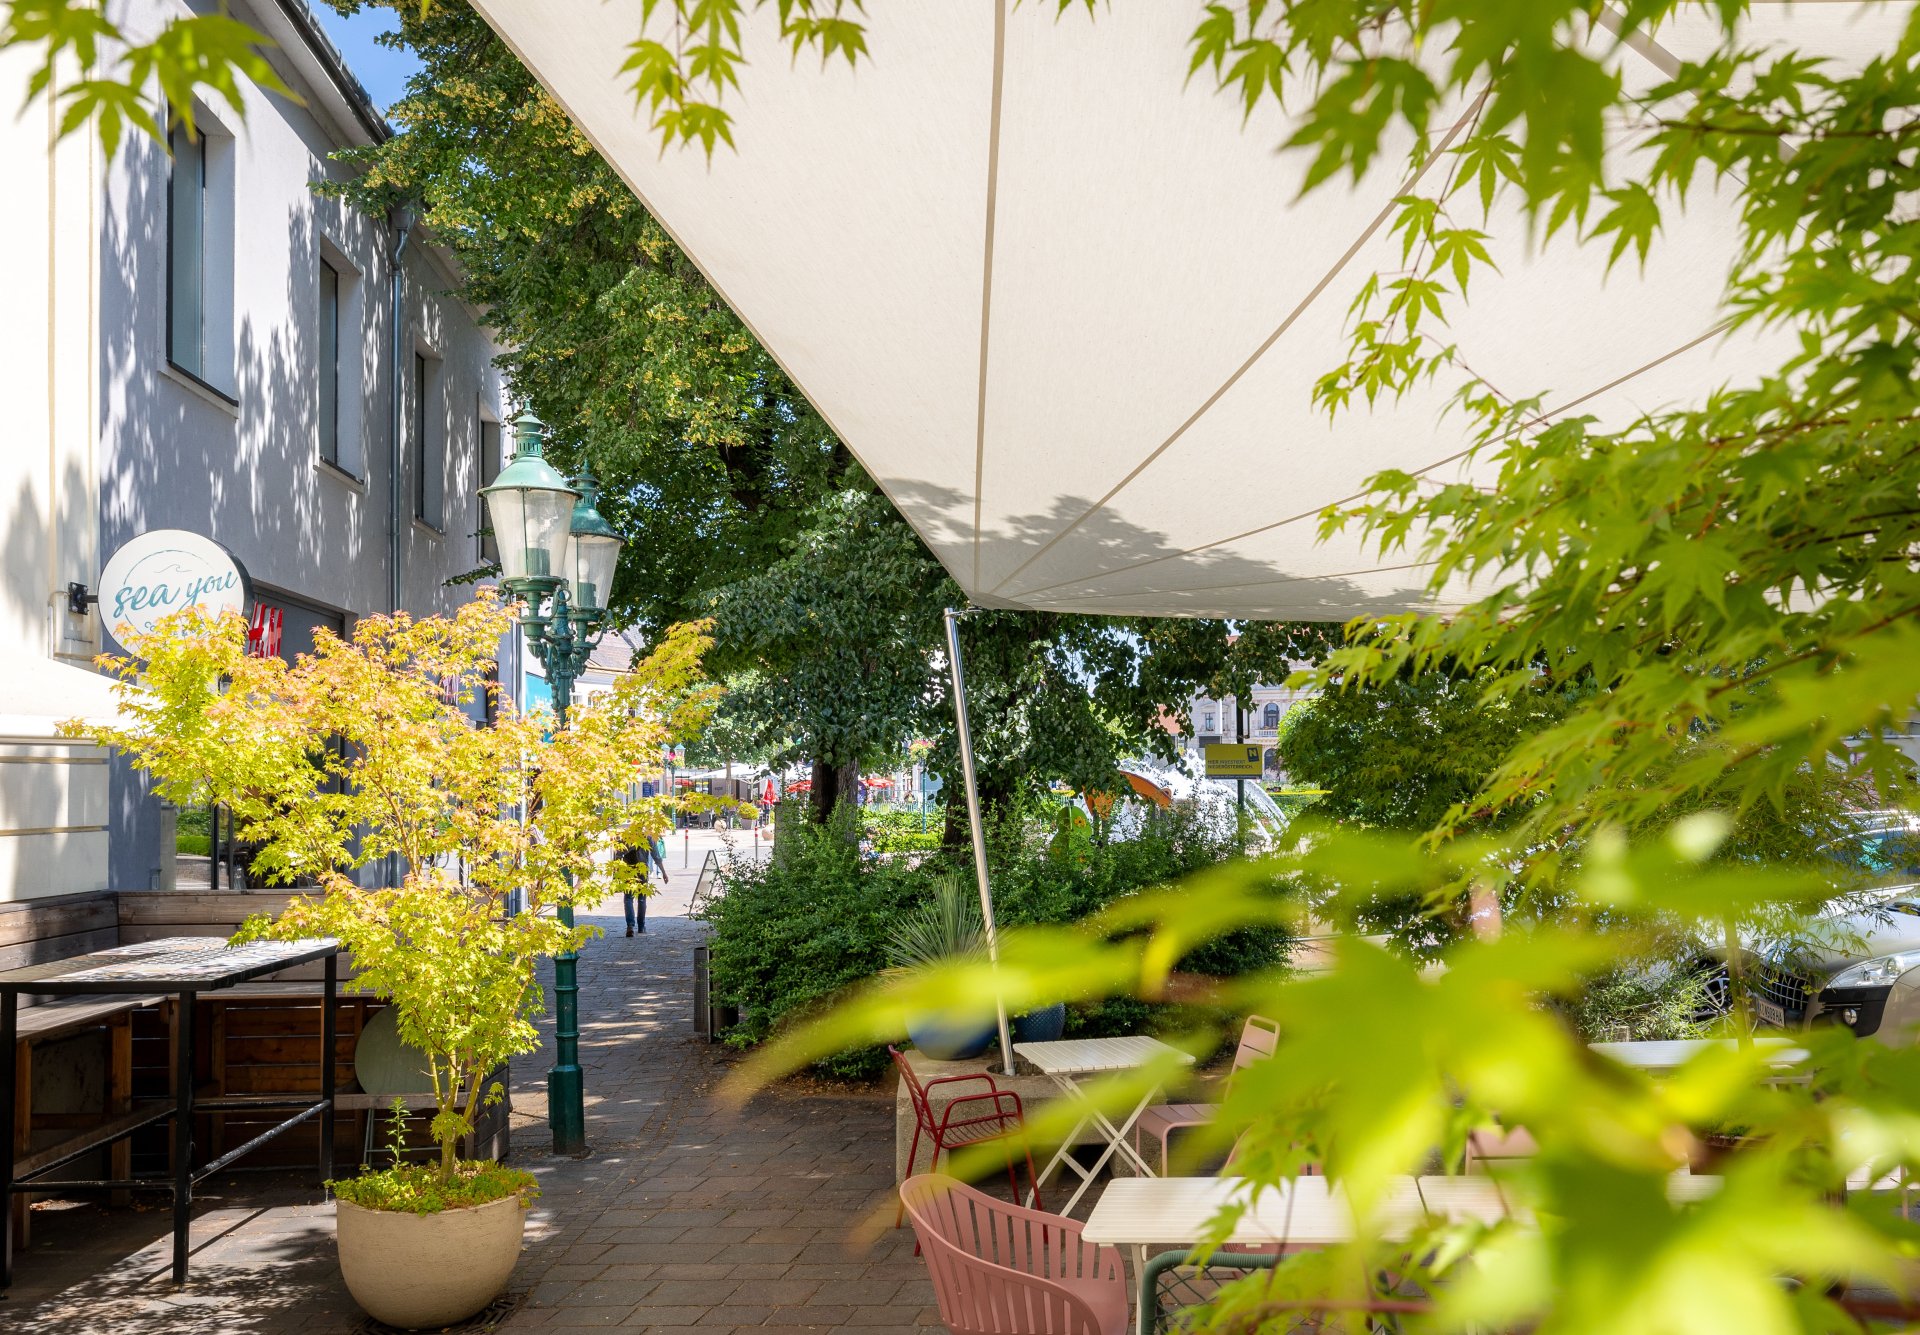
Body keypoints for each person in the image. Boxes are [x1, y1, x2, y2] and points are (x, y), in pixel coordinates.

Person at [620, 837, 670, 936]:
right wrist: (663, 872)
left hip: (628, 870)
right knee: (642, 899)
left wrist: (616, 873)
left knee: (628, 898)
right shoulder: (648, 837)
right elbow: (656, 856)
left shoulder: (626, 836)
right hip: (642, 871)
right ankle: (641, 927)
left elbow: (618, 855)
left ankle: (630, 925)